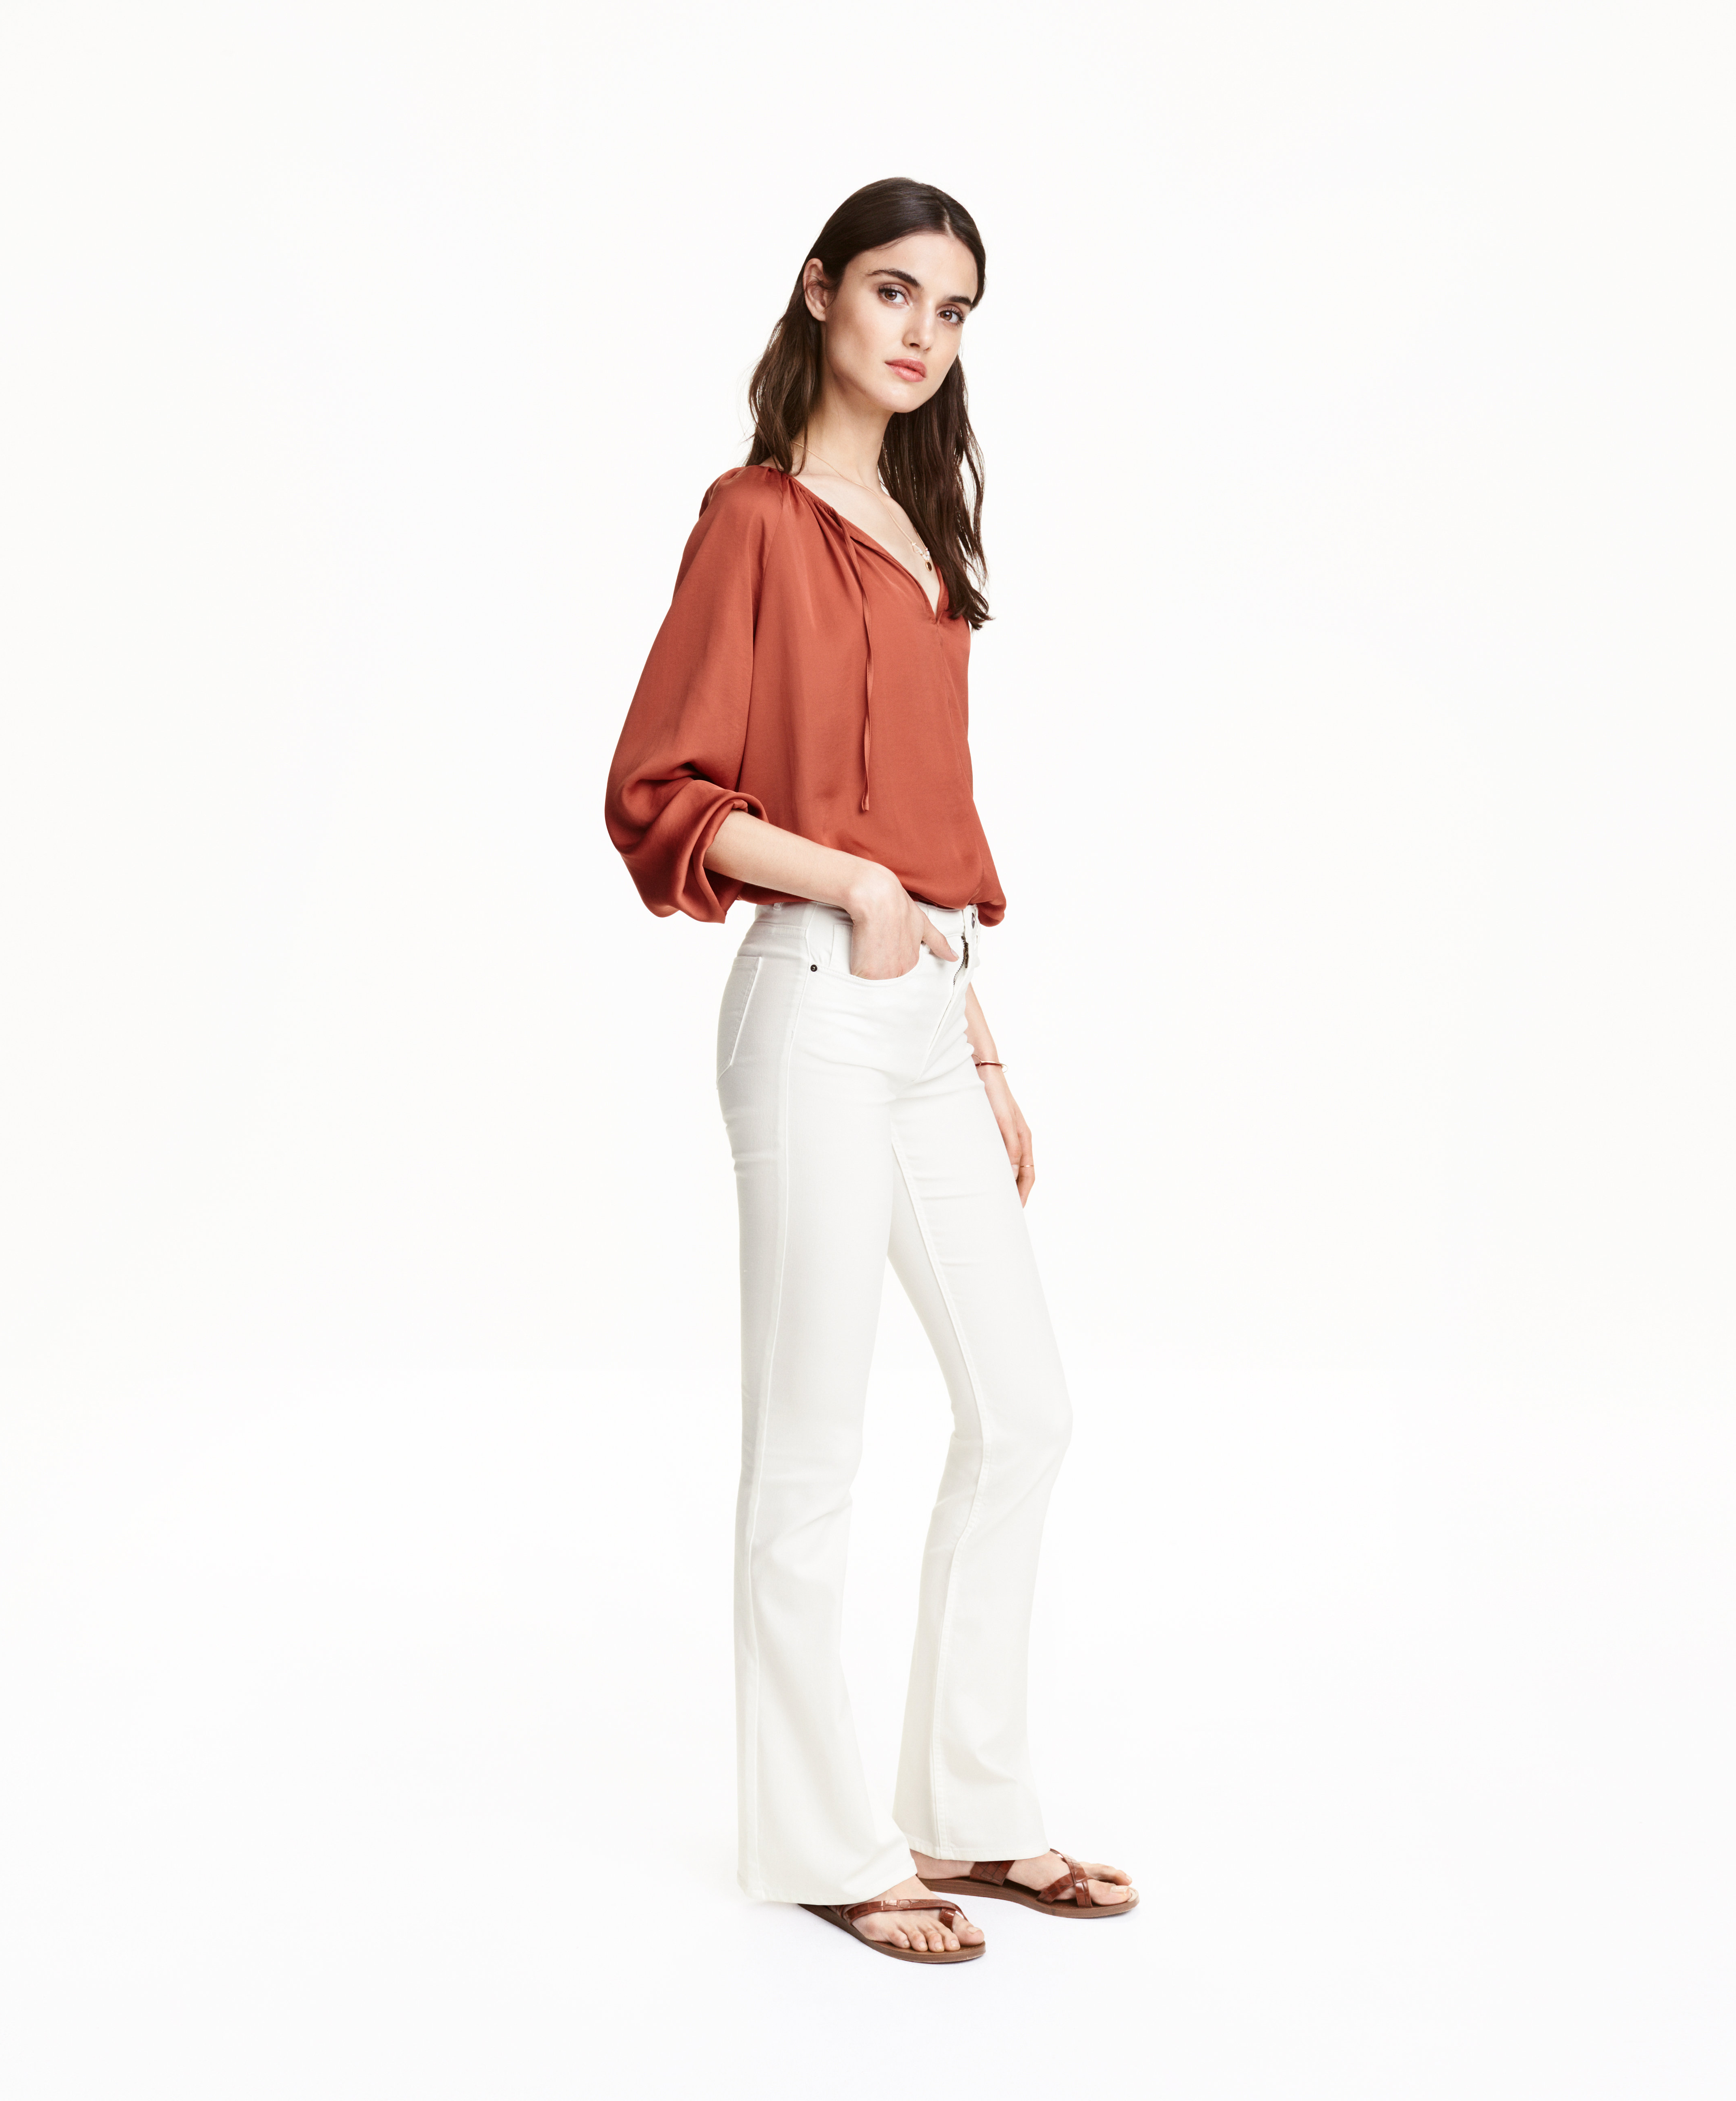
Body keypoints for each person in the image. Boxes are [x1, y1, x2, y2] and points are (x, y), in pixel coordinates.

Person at [603, 177, 1136, 1966]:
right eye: (897, 291)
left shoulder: (923, 536)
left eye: (956, 310)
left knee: (1025, 1411)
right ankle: (828, 1846)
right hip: (815, 1007)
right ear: (822, 291)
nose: (924, 333)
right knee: (813, 1444)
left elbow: (933, 819)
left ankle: (972, 1813)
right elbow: (658, 791)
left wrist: (981, 1040)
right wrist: (849, 884)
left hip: (924, 1016)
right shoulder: (756, 517)